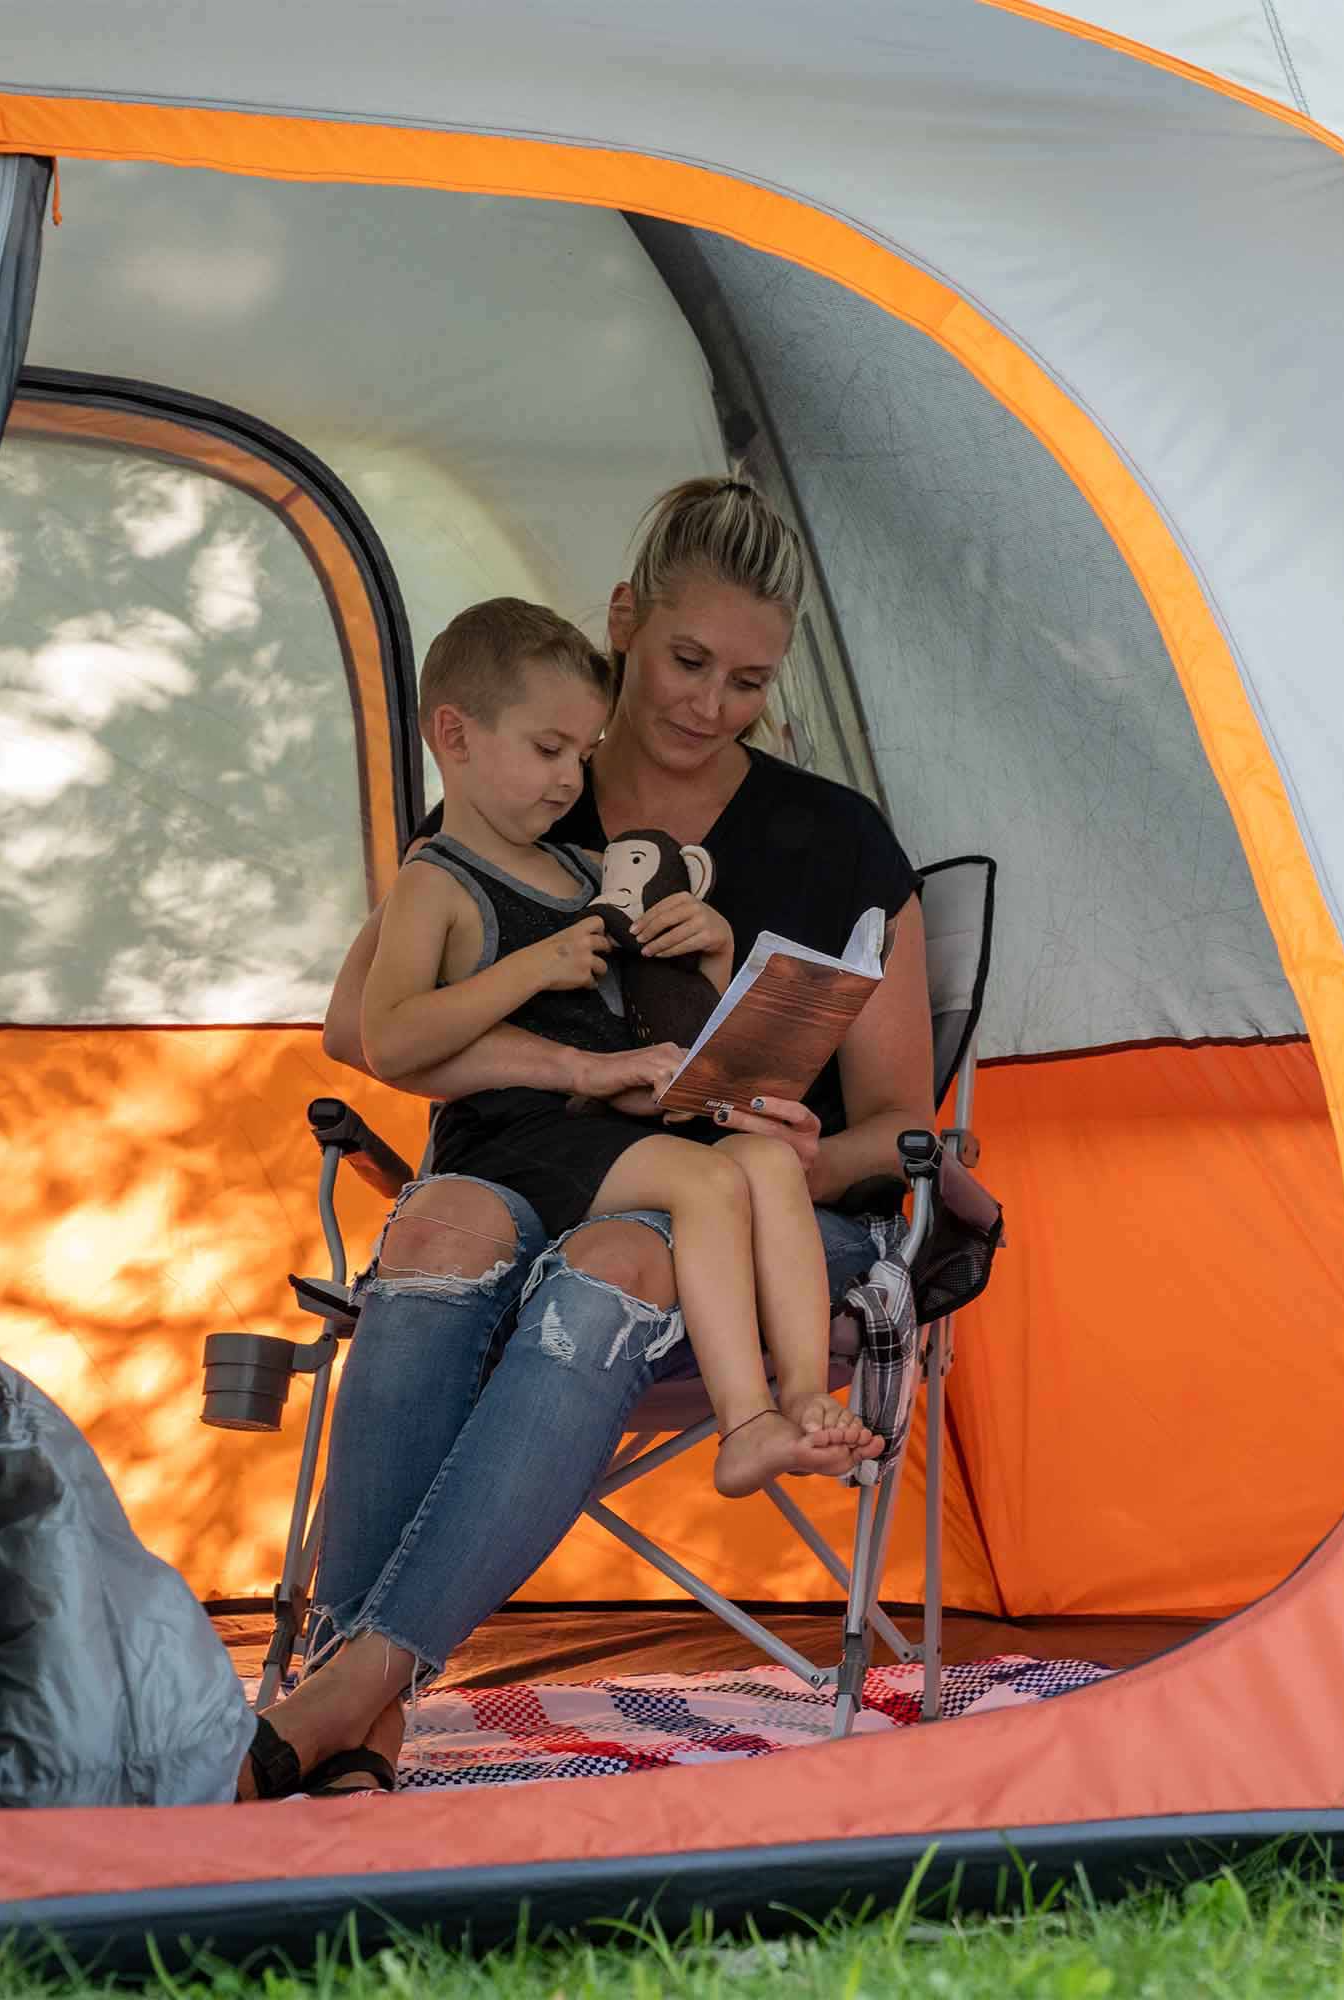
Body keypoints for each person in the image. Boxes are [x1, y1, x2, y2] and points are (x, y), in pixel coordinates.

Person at [238, 478, 931, 1801]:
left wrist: (811, 1152)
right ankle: (358, 1703)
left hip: (751, 1208)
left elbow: (902, 1122)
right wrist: (568, 1059)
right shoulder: (523, 793)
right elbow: (363, 1026)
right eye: (684, 661)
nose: (708, 705)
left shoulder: (835, 840)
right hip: (528, 1166)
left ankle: (349, 1692)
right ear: (623, 621)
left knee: (617, 1254)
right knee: (439, 1224)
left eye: (748, 681)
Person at [357, 595, 879, 1498]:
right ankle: (745, 1420)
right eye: (548, 750)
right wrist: (536, 968)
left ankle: (799, 1394)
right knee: (708, 1179)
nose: (569, 780)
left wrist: (703, 981)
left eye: (583, 753)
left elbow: (619, 1021)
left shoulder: (575, 870)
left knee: (764, 1161)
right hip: (515, 1145)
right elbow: (385, 1035)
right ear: (454, 734)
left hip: (598, 1122)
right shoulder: (431, 881)